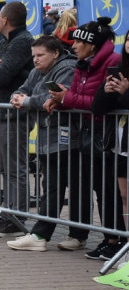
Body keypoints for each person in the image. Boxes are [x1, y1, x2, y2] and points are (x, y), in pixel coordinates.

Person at [47, 17, 125, 260]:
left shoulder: (113, 62)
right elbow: (77, 97)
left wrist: (66, 99)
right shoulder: (83, 62)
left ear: (92, 45)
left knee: (110, 190)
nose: (74, 46)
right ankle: (109, 238)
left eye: (79, 41)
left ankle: (115, 239)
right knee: (101, 188)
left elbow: (99, 104)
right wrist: (59, 101)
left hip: (108, 134)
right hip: (90, 132)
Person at [5, 35, 84, 251]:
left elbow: (56, 98)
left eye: (40, 55)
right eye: (33, 56)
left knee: (62, 186)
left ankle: (44, 234)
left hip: (66, 136)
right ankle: (74, 234)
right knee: (53, 185)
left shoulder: (66, 67)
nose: (35, 60)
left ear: (55, 53)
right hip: (47, 136)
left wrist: (27, 100)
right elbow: (22, 89)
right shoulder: (36, 72)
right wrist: (17, 97)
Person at [0, 2, 35, 237]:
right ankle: (8, 212)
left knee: (15, 168)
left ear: (4, 20)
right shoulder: (5, 42)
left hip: (12, 115)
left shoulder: (22, 41)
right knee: (4, 168)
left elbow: (2, 78)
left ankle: (17, 217)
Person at [92, 35, 129, 267]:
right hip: (121, 145)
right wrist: (106, 91)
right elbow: (98, 108)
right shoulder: (118, 69)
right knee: (125, 197)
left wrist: (126, 92)